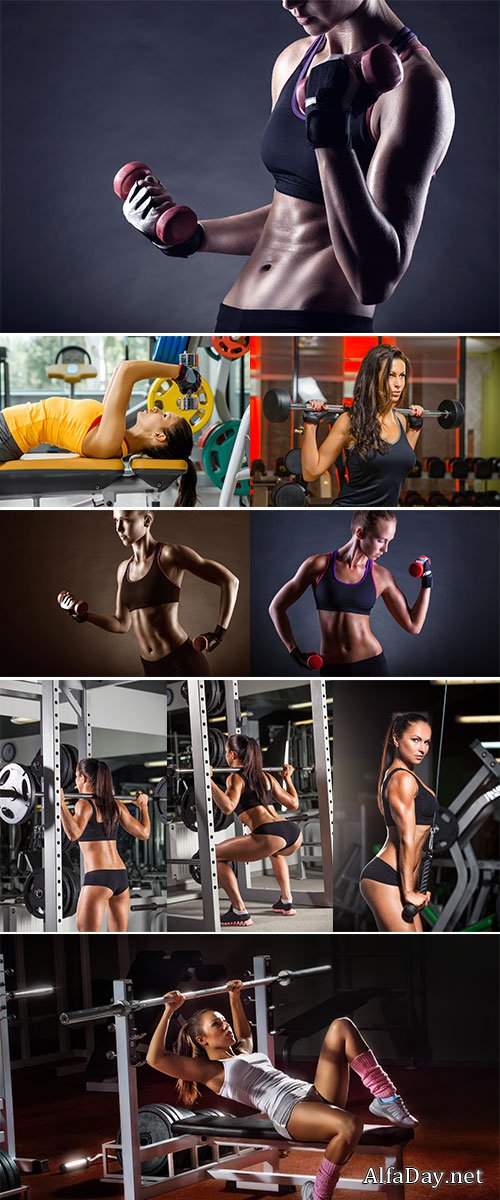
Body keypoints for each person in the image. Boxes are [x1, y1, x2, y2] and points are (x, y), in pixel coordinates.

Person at [121, 1, 454, 333]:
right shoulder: (293, 61)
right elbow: (296, 215)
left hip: (316, 324)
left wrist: (330, 129)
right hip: (234, 317)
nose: (289, 2)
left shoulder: (417, 87)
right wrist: (192, 238)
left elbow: (375, 280)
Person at [146, 981, 417, 1200]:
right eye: (216, 1024)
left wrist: (234, 997)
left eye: (223, 1020)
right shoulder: (211, 1071)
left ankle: (385, 1096)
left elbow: (246, 1036)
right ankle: (319, 1194)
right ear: (202, 1039)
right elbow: (155, 1059)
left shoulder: (240, 1051)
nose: (225, 1024)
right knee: (350, 1126)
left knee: (341, 1025)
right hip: (289, 1111)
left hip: (312, 1093)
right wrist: (169, 1011)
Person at [57, 509, 240, 676]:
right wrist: (85, 616)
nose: (119, 528)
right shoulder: (123, 569)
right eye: (115, 520)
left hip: (182, 660)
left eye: (126, 520)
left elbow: (230, 581)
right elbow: (121, 624)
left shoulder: (169, 555)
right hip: (150, 667)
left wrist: (218, 635)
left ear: (147, 520)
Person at [0, 359, 199, 505]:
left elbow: (129, 370)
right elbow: (121, 367)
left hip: (6, 433)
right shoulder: (114, 432)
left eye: (164, 416)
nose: (156, 408)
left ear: (159, 436)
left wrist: (181, 373)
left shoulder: (110, 442)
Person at [268, 509, 431, 676]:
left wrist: (427, 580)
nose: (385, 549)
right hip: (331, 667)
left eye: (389, 542)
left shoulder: (381, 575)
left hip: (371, 664)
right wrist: (293, 651)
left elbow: (413, 625)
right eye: (381, 540)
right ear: (360, 533)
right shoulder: (318, 565)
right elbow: (276, 607)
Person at [300, 344, 424, 506]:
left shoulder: (401, 420)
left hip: (382, 518)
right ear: (373, 377)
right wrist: (311, 423)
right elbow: (311, 472)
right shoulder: (351, 420)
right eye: (391, 375)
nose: (398, 384)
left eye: (402, 376)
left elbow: (397, 463)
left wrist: (415, 429)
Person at [210, 735, 303, 926]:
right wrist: (287, 779)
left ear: (233, 754)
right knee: (276, 852)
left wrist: (207, 781)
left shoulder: (235, 778)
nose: (226, 755)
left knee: (213, 855)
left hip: (269, 834)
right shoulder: (266, 777)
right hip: (293, 833)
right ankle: (286, 902)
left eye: (227, 752)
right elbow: (293, 804)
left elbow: (227, 807)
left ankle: (239, 911)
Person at [359, 713, 437, 933]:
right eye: (415, 740)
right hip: (385, 877)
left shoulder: (408, 776)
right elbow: (406, 838)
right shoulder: (402, 778)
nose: (422, 748)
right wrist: (409, 891)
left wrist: (414, 888)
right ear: (396, 739)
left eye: (427, 742)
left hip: (400, 880)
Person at [60, 757, 151, 932]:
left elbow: (73, 834)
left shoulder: (84, 804)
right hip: (120, 877)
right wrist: (143, 807)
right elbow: (144, 833)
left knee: (86, 937)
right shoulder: (116, 805)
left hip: (98, 877)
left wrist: (61, 804)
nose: (75, 781)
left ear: (84, 778)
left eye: (76, 776)